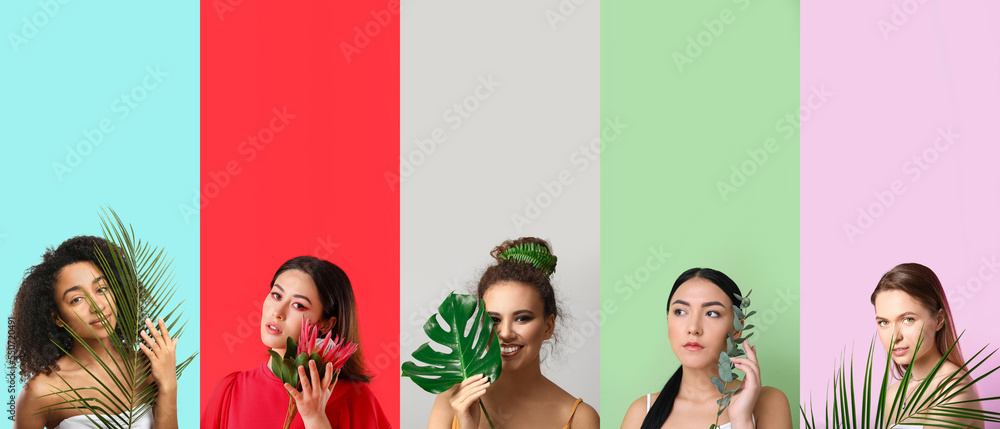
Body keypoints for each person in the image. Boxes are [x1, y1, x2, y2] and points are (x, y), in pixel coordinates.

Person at [428, 237, 599, 429]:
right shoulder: (453, 401)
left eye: (522, 318)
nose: (506, 333)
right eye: (494, 320)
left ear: (548, 326)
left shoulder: (579, 418)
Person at [202, 256, 390, 428]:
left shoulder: (354, 400)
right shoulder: (231, 391)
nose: (278, 312)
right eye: (276, 295)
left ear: (325, 324)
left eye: (298, 305)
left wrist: (315, 418)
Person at [12, 236, 178, 429]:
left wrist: (168, 386)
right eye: (77, 299)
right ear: (56, 317)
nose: (98, 306)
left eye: (101, 289)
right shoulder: (42, 391)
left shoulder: (147, 367)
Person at [620, 268, 791, 429]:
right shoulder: (642, 412)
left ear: (736, 329)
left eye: (711, 313)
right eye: (680, 312)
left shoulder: (767, 402)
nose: (693, 328)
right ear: (668, 323)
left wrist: (741, 420)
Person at [871, 263, 981, 429]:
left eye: (908, 319)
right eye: (884, 322)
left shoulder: (954, 389)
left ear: (939, 320)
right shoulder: (893, 394)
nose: (894, 337)